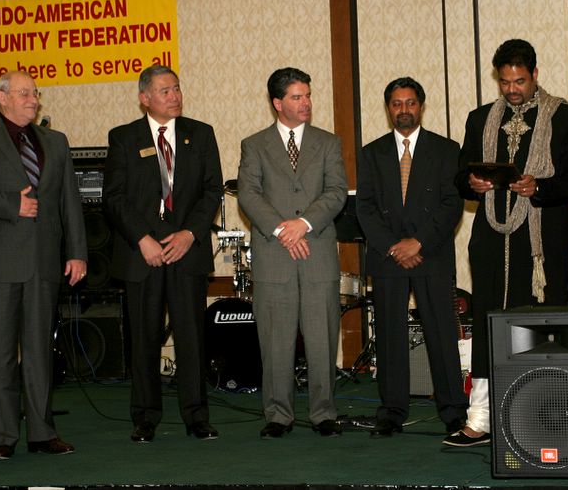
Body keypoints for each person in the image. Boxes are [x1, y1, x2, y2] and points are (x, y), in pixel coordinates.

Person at [447, 39, 568, 447]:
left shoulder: (564, 118)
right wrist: (471, 183)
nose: (512, 89)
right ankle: (480, 418)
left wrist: (539, 187)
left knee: (545, 325)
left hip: (543, 243)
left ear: (535, 74)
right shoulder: (480, 119)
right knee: (491, 322)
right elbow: (460, 176)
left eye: (520, 81)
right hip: (492, 241)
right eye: (505, 81)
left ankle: (552, 415)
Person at [0, 70, 87, 460]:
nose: (33, 99)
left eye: (35, 93)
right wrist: (12, 204)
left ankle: (42, 434)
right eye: (24, 93)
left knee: (40, 350)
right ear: (2, 98)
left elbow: (69, 203)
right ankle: (3, 437)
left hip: (43, 262)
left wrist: (77, 252)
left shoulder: (55, 142)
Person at [103, 65, 224, 443]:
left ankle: (196, 416)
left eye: (176, 88)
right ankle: (145, 417)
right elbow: (115, 197)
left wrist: (190, 233)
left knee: (190, 337)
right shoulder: (123, 138)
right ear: (145, 98)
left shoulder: (200, 135)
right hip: (144, 255)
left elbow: (212, 190)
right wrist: (143, 238)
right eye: (165, 91)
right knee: (144, 338)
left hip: (186, 252)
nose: (174, 96)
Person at [237, 67, 348, 438]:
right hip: (274, 256)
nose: (306, 103)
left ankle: (324, 413)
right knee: (275, 342)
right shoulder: (254, 145)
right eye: (297, 97)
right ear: (277, 103)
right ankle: (277, 415)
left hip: (317, 255)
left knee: (322, 340)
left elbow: (336, 191)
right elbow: (249, 193)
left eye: (308, 95)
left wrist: (305, 223)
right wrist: (284, 229)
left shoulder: (328, 142)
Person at [356, 77, 467, 438]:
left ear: (421, 105)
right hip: (388, 258)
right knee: (389, 335)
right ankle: (391, 411)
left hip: (430, 255)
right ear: (388, 108)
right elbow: (365, 207)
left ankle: (453, 409)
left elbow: (452, 205)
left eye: (410, 103)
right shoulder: (372, 153)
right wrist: (394, 246)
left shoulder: (447, 150)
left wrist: (417, 243)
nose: (404, 110)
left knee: (441, 333)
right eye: (396, 104)